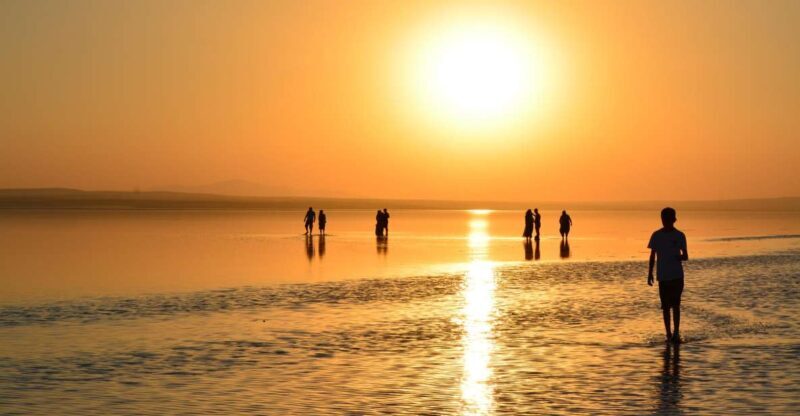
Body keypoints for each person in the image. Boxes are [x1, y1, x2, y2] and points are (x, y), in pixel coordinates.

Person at [648, 207, 689, 344]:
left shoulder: (680, 235)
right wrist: (649, 274)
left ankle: (676, 333)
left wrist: (679, 257)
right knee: (665, 307)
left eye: (667, 219)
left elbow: (686, 256)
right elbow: (652, 255)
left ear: (673, 220)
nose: (665, 221)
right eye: (663, 219)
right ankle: (668, 334)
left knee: (676, 305)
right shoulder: (656, 235)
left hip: (677, 276)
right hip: (663, 277)